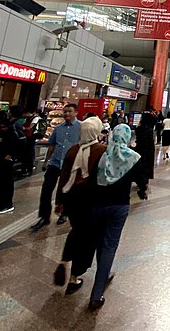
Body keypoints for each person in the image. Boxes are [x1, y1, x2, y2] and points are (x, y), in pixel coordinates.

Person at [87, 123, 149, 310]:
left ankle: (103, 273)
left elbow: (91, 180)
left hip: (98, 205)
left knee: (100, 242)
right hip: (119, 206)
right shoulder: (133, 157)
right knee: (110, 246)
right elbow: (142, 181)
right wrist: (143, 191)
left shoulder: (102, 155)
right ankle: (97, 293)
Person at [53, 117, 105, 293]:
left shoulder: (73, 150)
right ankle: (75, 276)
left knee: (76, 230)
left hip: (72, 197)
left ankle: (64, 260)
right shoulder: (101, 150)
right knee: (88, 237)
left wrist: (59, 201)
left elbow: (64, 176)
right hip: (91, 199)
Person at [31, 103, 81, 232]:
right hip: (55, 162)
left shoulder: (81, 127)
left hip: (70, 164)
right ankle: (44, 216)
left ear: (76, 112)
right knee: (46, 189)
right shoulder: (58, 128)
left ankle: (64, 213)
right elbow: (52, 145)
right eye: (65, 112)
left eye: (69, 111)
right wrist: (46, 161)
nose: (67, 114)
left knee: (66, 190)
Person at [134, 112, 156, 182]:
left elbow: (137, 132)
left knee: (140, 164)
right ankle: (145, 178)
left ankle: (139, 178)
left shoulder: (140, 128)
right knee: (147, 164)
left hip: (140, 148)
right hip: (149, 149)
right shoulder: (150, 129)